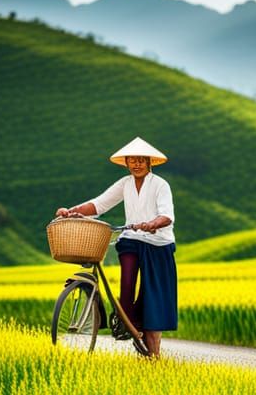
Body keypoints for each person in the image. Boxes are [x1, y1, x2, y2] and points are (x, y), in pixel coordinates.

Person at [55, 137, 177, 358]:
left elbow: (167, 215)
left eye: (141, 160)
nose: (137, 164)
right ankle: (125, 319)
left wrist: (151, 224)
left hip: (158, 244)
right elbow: (99, 204)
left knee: (152, 297)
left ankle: (153, 355)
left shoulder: (160, 185)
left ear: (149, 163)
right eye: (133, 160)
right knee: (127, 280)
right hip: (132, 238)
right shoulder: (125, 184)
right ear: (127, 163)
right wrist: (72, 211)